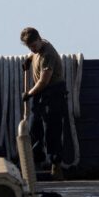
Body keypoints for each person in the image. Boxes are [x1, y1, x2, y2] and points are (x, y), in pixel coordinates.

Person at [20, 27, 69, 180]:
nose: (33, 49)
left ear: (39, 39)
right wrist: (29, 59)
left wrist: (28, 94)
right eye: (30, 47)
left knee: (52, 130)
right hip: (41, 95)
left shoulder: (48, 54)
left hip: (53, 94)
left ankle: (56, 166)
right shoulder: (38, 49)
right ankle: (36, 162)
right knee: (35, 127)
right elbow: (35, 53)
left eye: (34, 46)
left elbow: (43, 81)